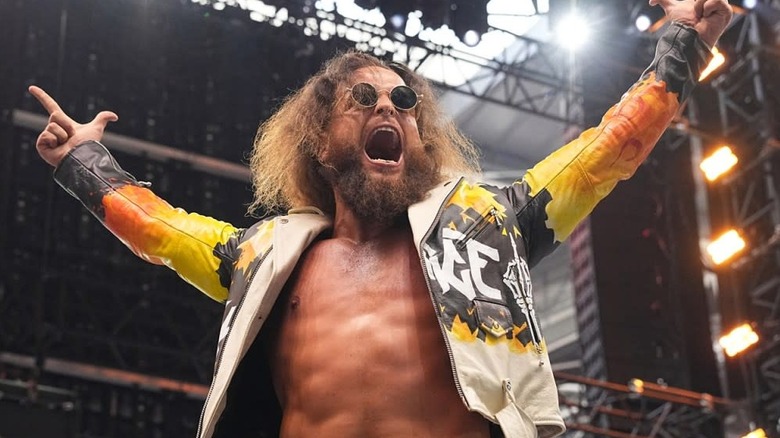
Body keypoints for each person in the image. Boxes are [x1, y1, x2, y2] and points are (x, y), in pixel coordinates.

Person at [29, 0, 732, 436]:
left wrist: (682, 46)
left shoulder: (486, 228)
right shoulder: (267, 256)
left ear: (421, 138)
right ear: (320, 140)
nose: (389, 108)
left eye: (404, 102)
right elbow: (165, 231)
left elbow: (603, 153)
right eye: (363, 99)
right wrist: (86, 162)